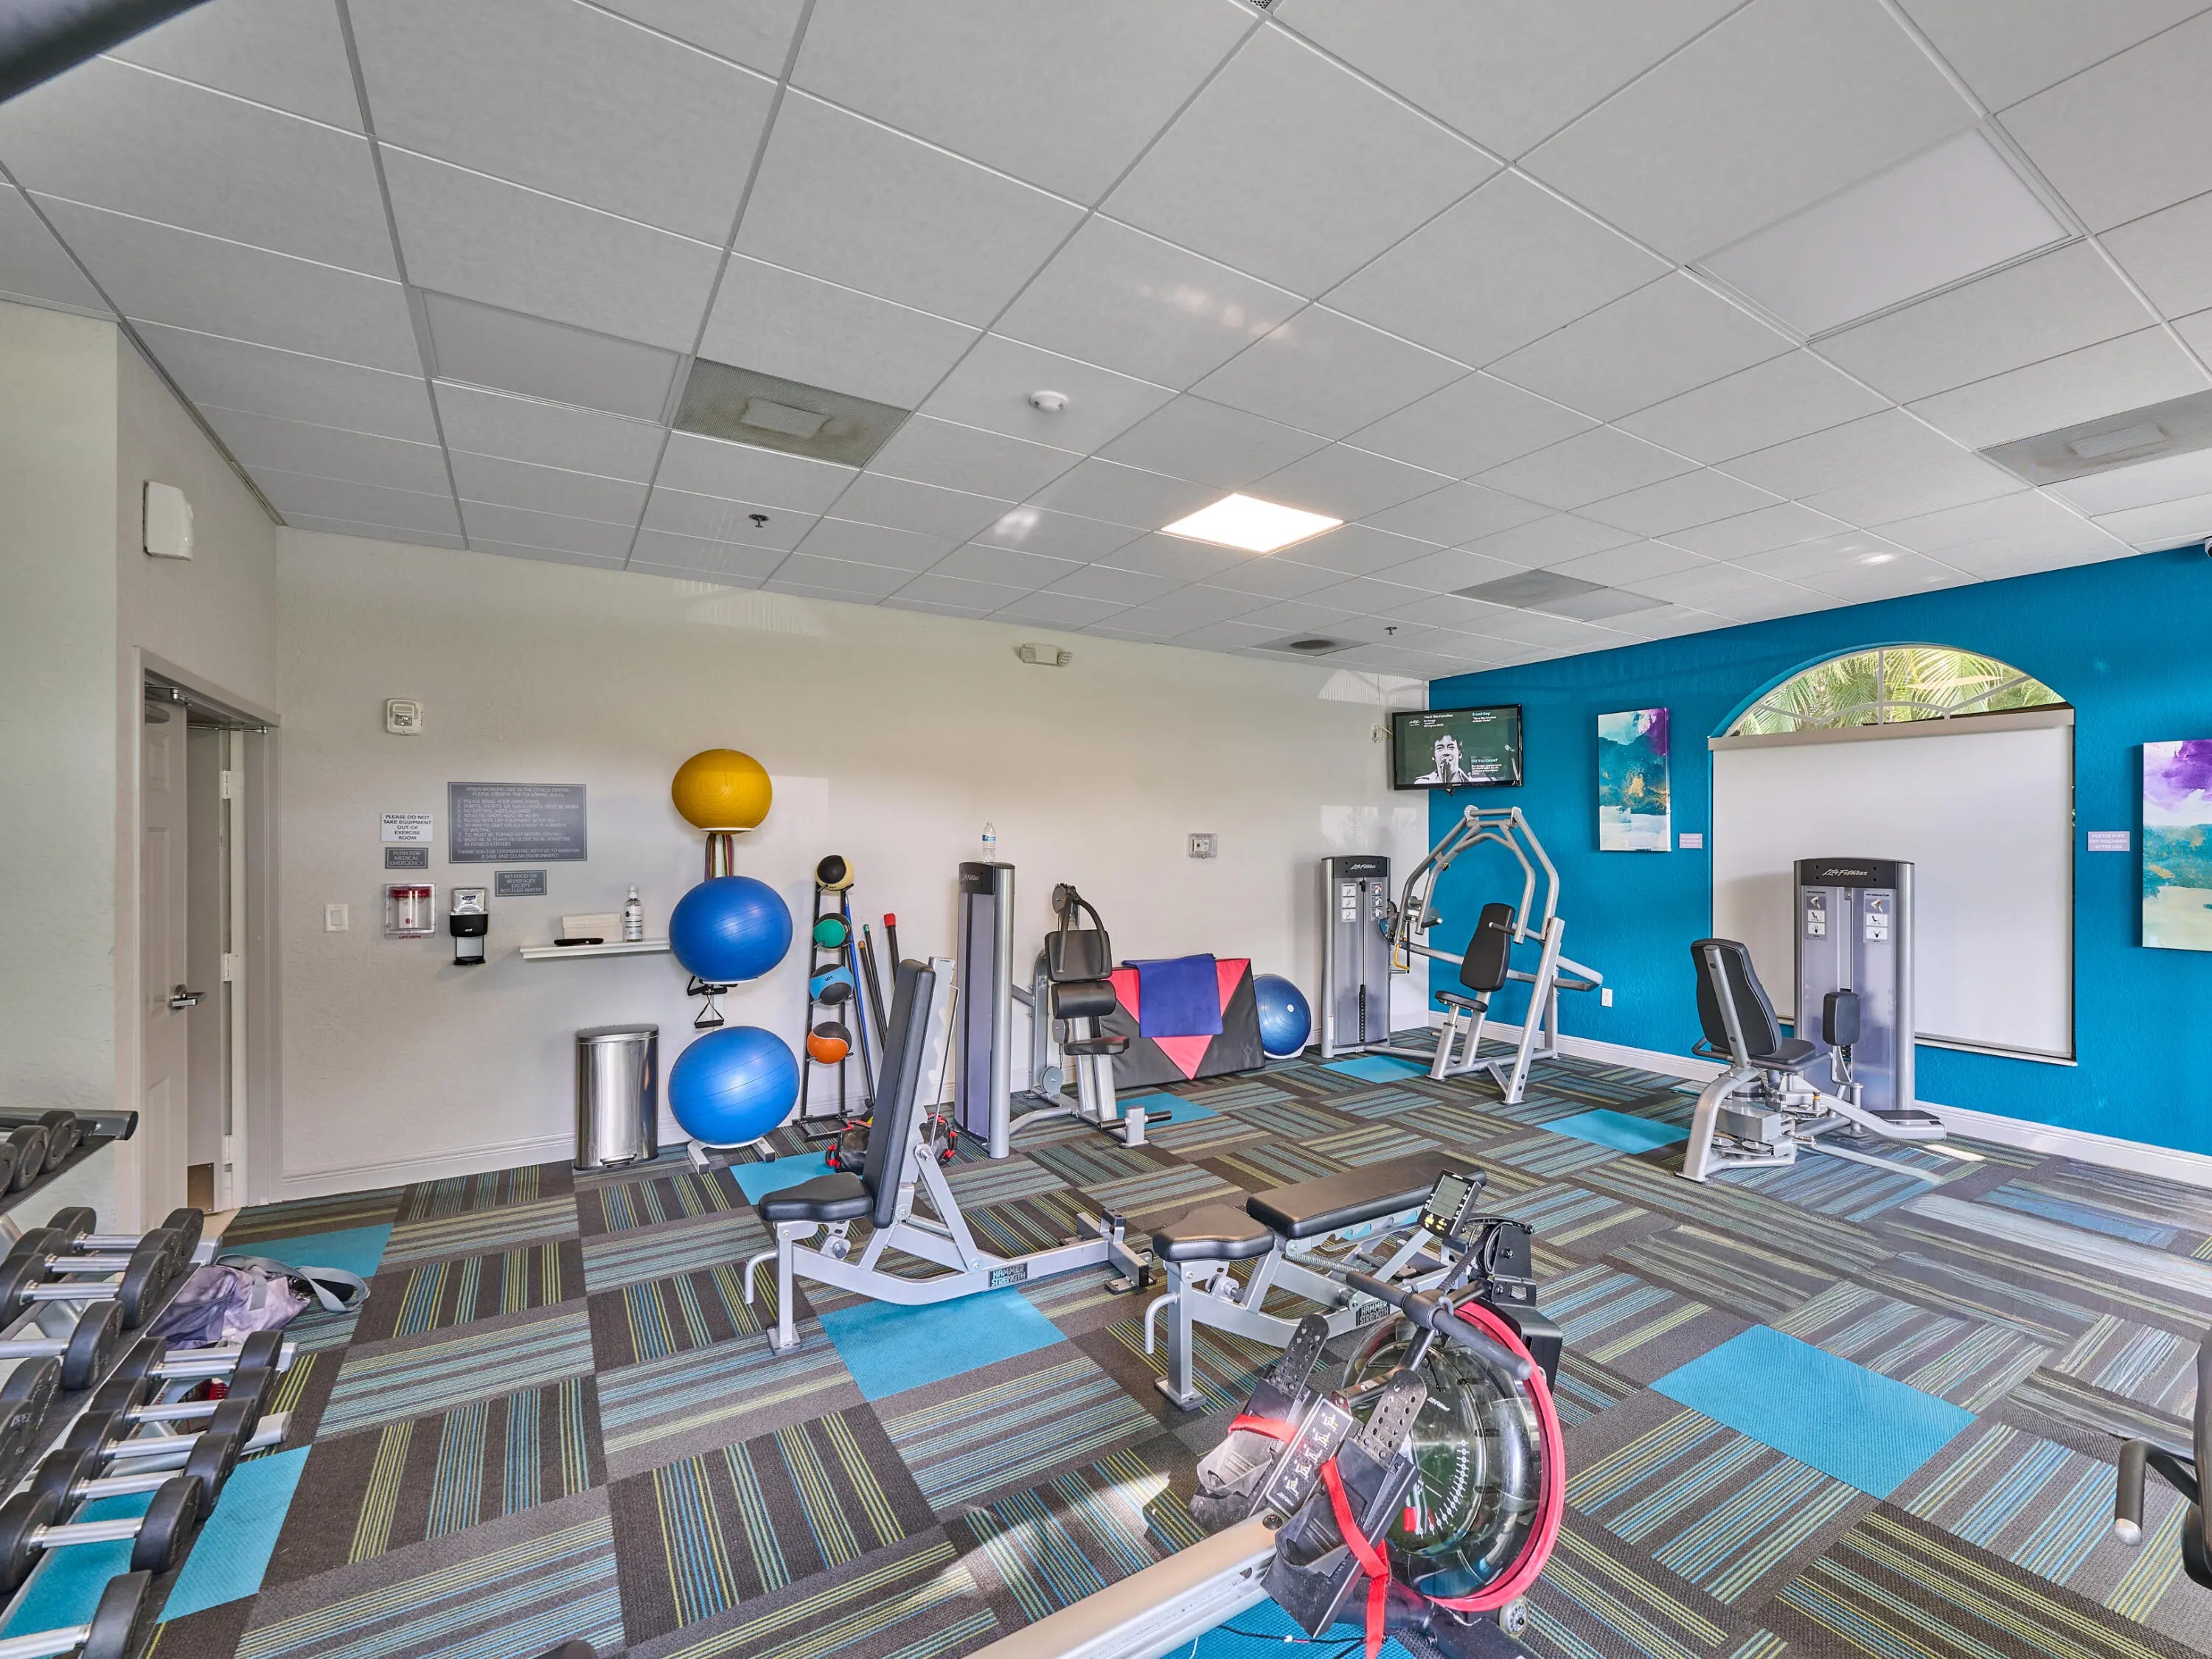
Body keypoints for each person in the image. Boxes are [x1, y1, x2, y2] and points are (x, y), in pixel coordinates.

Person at [1414, 732, 1481, 785]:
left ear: (1460, 754)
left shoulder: (1475, 781)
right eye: (1440, 748)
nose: (1446, 752)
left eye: (1451, 747)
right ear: (1433, 756)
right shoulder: (1421, 783)